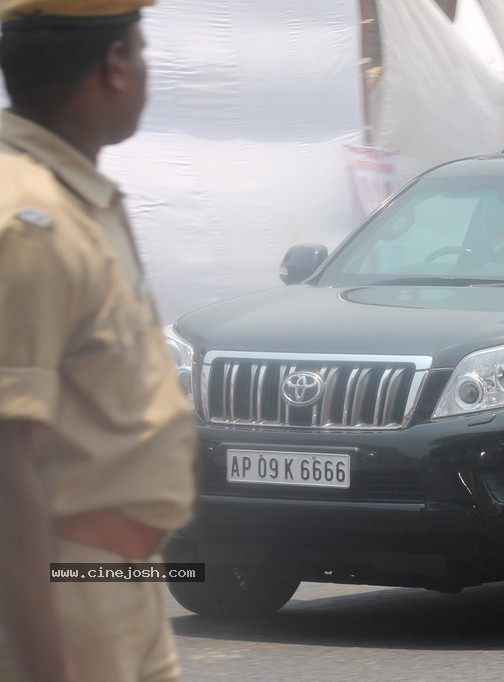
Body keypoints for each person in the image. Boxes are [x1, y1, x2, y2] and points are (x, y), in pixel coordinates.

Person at [0, 2, 196, 681]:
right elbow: (5, 463)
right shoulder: (30, 219)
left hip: (123, 585)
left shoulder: (79, 198)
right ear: (114, 65)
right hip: (69, 590)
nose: (144, 69)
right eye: (140, 51)